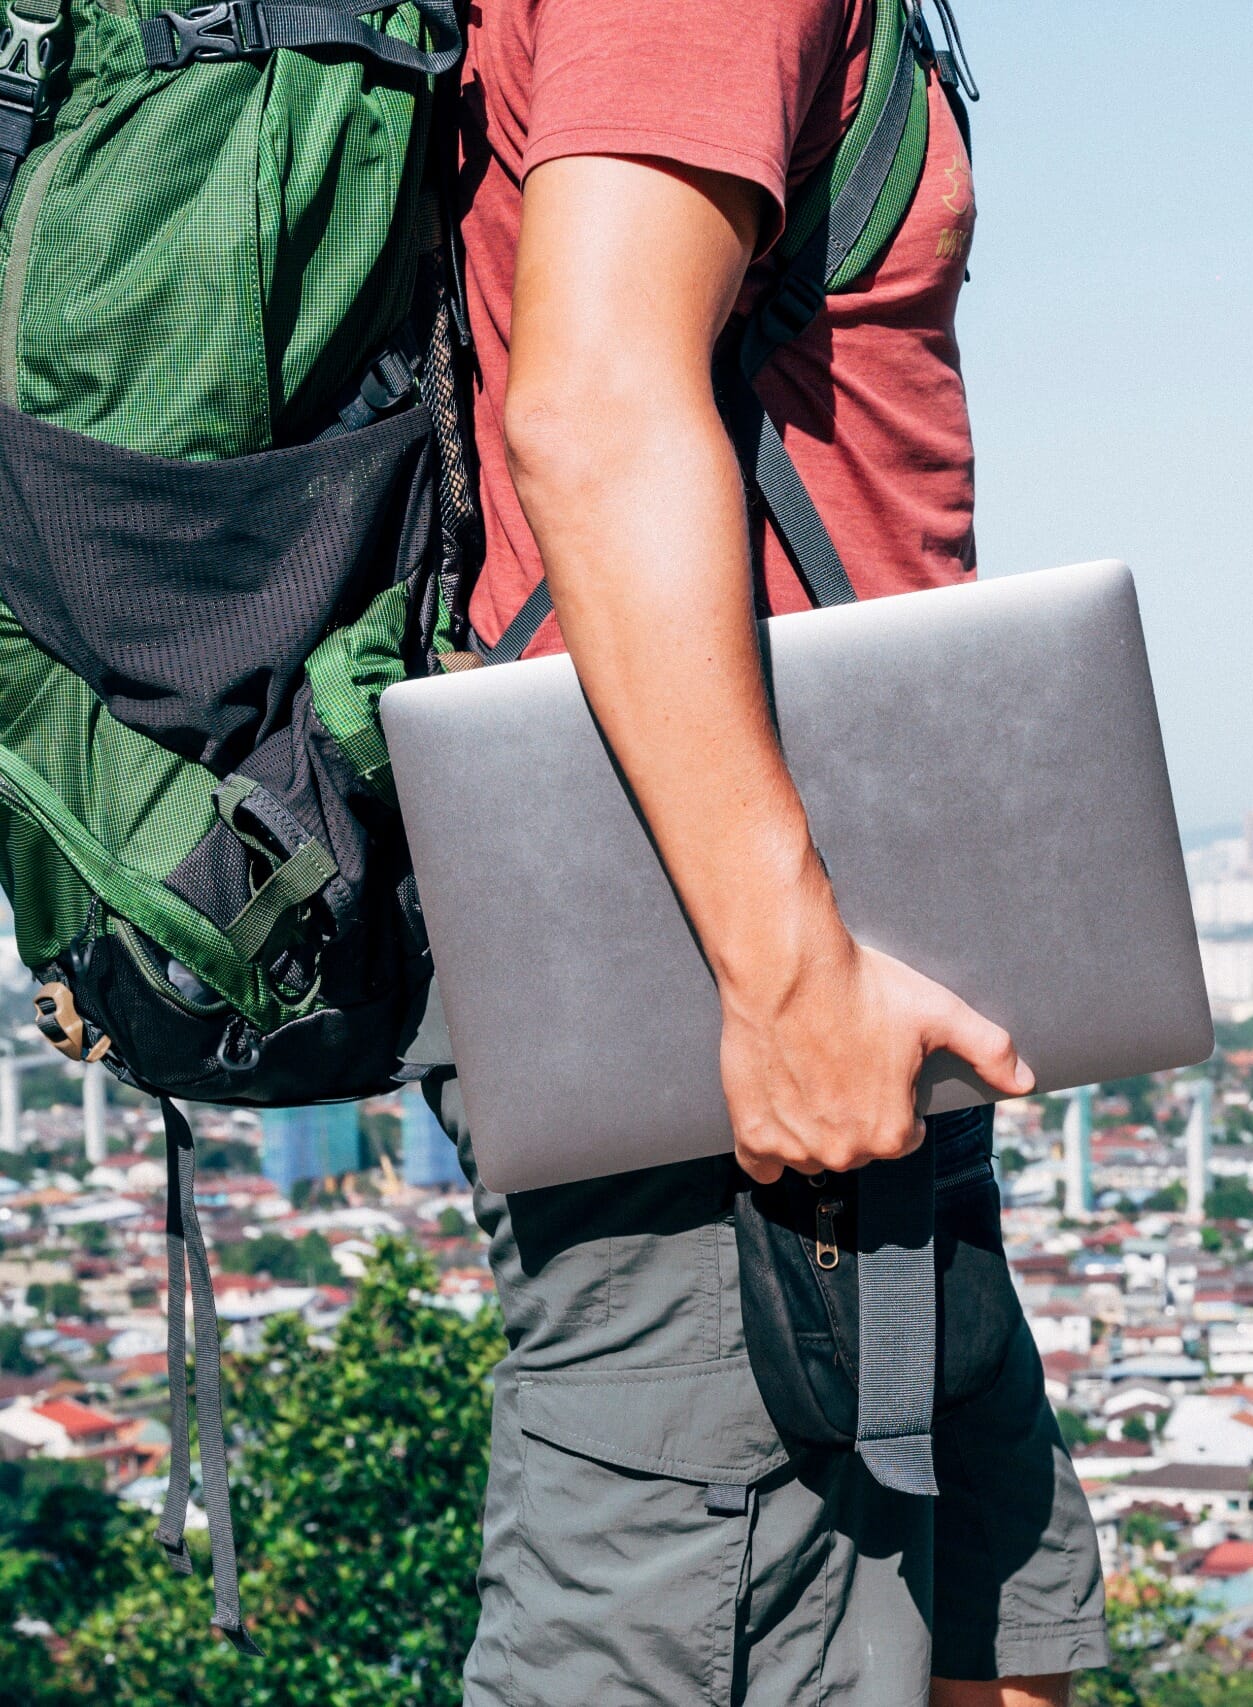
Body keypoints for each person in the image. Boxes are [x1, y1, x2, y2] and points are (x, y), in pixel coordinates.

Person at [413, 1, 1109, 1699]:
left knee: (994, 1640)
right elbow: (588, 407)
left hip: (837, 956)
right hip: (707, 969)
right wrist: (782, 971)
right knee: (712, 1626)